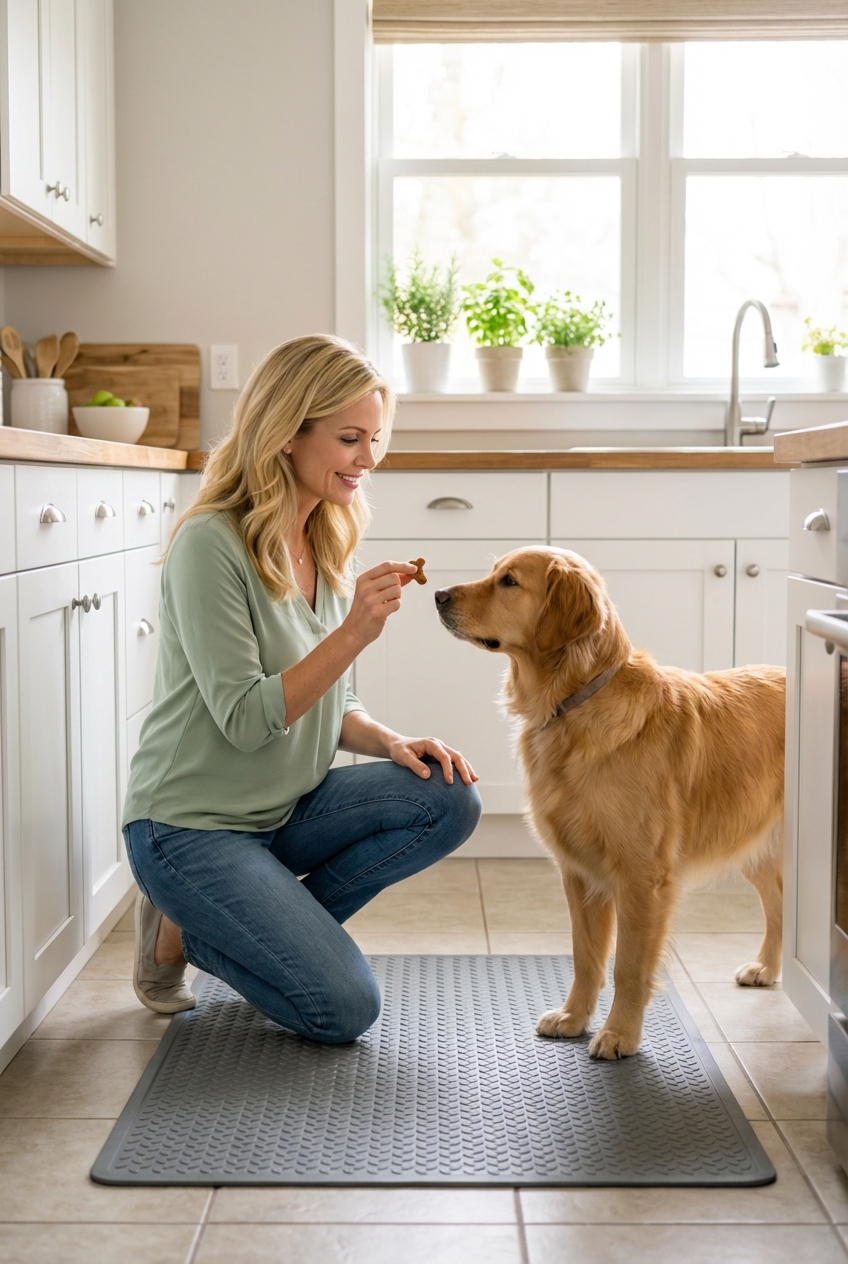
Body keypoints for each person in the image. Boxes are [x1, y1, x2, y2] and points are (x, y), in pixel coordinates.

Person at [123, 334, 482, 1043]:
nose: (368, 460)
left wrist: (391, 742)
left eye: (375, 439)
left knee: (447, 795)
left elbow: (333, 700)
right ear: (288, 432)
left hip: (279, 810)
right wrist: (352, 632)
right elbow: (248, 721)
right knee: (343, 1010)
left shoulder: (325, 537)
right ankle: (185, 928)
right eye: (350, 438)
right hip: (189, 826)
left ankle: (231, 918)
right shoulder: (210, 545)